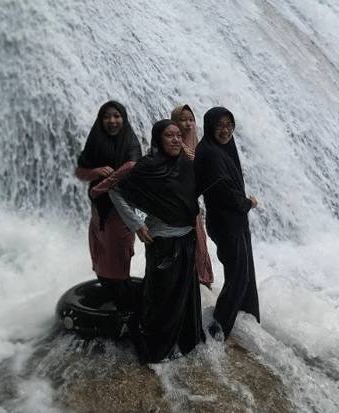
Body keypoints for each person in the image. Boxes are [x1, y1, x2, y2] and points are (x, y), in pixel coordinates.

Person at [109, 119, 205, 363]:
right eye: (169, 135)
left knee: (184, 294)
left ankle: (182, 342)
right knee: (162, 297)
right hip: (163, 241)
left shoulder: (186, 165)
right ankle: (155, 347)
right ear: (158, 139)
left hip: (186, 238)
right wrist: (136, 225)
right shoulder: (147, 167)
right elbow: (116, 191)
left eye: (178, 135)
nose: (176, 139)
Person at [194, 107, 260, 340]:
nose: (225, 130)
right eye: (220, 125)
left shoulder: (221, 148)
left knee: (242, 273)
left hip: (234, 221)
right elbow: (222, 190)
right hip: (226, 223)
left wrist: (243, 206)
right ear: (210, 126)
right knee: (239, 276)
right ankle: (218, 328)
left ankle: (242, 316)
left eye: (229, 125)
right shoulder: (210, 153)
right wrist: (247, 203)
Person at [75, 101, 142, 312]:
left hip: (120, 210)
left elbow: (133, 168)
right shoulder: (95, 139)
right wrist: (95, 172)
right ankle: (114, 303)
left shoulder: (130, 141)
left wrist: (101, 186)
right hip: (99, 211)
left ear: (124, 118)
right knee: (101, 257)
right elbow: (80, 172)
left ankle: (126, 312)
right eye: (107, 117)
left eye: (116, 116)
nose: (112, 121)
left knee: (119, 261)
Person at [170, 104, 214, 288]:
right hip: (174, 202)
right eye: (183, 120)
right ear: (174, 122)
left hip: (191, 201)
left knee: (198, 238)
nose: (188, 124)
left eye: (191, 120)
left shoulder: (198, 144)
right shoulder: (170, 144)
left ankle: (201, 277)